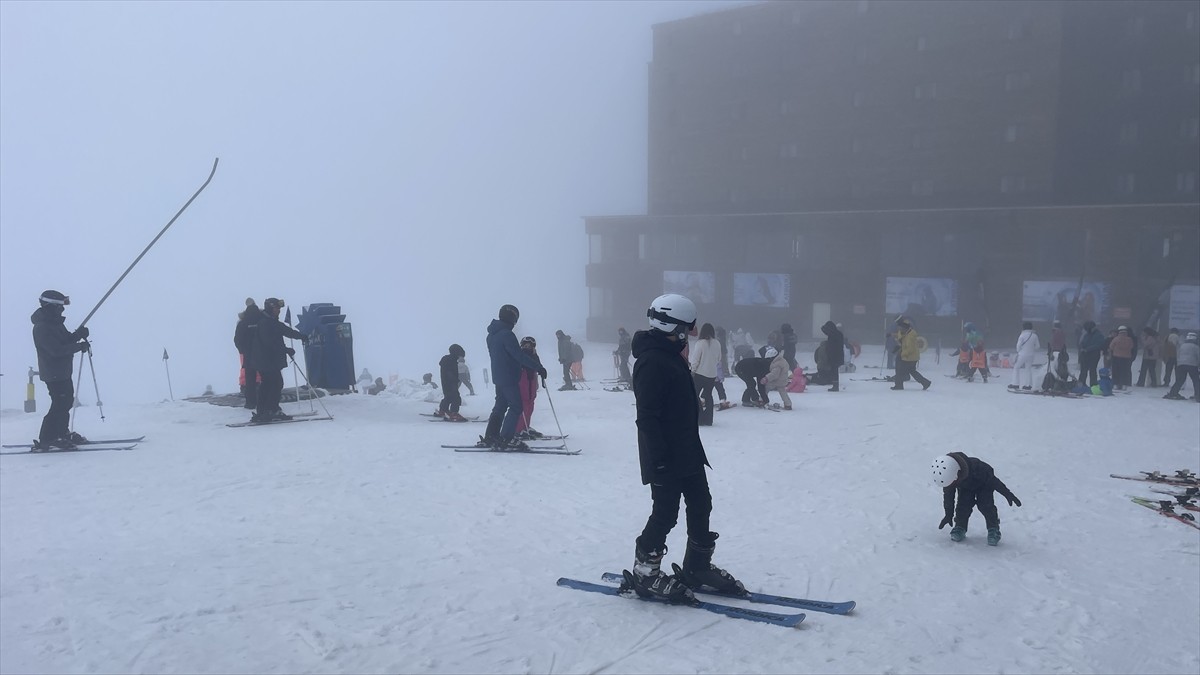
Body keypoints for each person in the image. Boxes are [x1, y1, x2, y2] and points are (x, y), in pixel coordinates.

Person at [625, 293, 742, 602]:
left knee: (701, 503)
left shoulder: (670, 352)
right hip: (664, 454)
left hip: (687, 450)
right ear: (672, 326)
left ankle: (697, 566)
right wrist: (660, 460)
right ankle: (645, 572)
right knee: (665, 513)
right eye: (688, 328)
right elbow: (647, 418)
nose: (691, 333)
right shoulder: (652, 360)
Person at [31, 290, 92, 450]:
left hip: (62, 371)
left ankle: (61, 432)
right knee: (59, 404)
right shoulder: (42, 327)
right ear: (50, 307)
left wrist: (78, 335)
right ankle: (48, 438)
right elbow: (55, 350)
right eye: (59, 307)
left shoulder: (55, 323)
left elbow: (65, 341)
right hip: (53, 373)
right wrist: (79, 347)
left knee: (65, 403)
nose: (62, 310)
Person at [483, 304, 548, 450]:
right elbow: (518, 355)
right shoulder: (507, 334)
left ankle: (491, 436)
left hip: (498, 376)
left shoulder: (492, 335)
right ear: (513, 318)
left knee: (500, 406)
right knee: (516, 406)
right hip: (509, 377)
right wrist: (538, 367)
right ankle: (507, 438)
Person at [931, 453, 1021, 546]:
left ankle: (993, 528)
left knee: (986, 506)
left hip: (984, 485)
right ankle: (960, 526)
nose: (951, 486)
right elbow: (949, 498)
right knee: (963, 506)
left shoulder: (979, 469)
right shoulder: (949, 477)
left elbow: (994, 482)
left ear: (957, 473)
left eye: (952, 483)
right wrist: (948, 514)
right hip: (966, 487)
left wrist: (1007, 493)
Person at [251, 298, 308, 423]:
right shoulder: (266, 323)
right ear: (270, 308)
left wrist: (301, 337)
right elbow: (269, 343)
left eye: (279, 308)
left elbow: (285, 330)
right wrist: (286, 350)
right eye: (276, 308)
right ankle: (271, 410)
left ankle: (263, 410)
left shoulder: (270, 321)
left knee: (268, 384)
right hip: (266, 360)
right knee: (275, 383)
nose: (279, 311)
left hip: (266, 360)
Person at [234, 298, 262, 410]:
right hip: (263, 354)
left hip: (248, 355)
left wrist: (243, 350)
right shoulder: (262, 320)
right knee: (266, 376)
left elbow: (237, 340)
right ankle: (264, 401)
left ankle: (250, 402)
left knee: (249, 378)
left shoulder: (242, 323)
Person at [689, 323, 720, 426]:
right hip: (712, 374)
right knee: (708, 396)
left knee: (695, 395)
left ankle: (700, 417)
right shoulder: (717, 343)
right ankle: (709, 419)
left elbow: (695, 359)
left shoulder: (700, 343)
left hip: (700, 374)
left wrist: (692, 370)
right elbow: (719, 358)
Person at [515, 336, 545, 439]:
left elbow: (538, 365)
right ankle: (519, 429)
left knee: (530, 405)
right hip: (523, 379)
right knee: (523, 404)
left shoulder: (534, 355)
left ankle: (526, 426)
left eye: (529, 345)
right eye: (525, 345)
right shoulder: (520, 355)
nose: (527, 347)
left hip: (531, 380)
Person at [891, 317, 932, 390]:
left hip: (908, 357)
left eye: (900, 328)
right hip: (912, 357)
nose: (899, 329)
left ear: (905, 328)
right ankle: (925, 382)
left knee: (899, 370)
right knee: (912, 371)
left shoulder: (910, 336)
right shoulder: (908, 333)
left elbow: (910, 348)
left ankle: (899, 385)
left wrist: (902, 354)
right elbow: (901, 338)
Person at [436, 344, 468, 421]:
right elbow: (450, 372)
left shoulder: (447, 359)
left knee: (448, 397)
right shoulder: (451, 361)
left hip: (445, 382)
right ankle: (454, 413)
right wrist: (454, 380)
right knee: (456, 397)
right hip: (451, 382)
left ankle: (443, 410)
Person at [1163, 332, 1199, 401]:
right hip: (1192, 365)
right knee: (1196, 380)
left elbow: (1178, 354)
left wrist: (1179, 363)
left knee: (1180, 380)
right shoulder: (1196, 347)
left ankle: (1173, 393)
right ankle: (1198, 395)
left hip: (1181, 364)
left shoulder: (1182, 346)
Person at [1009, 321, 1041, 391]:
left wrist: (1019, 351)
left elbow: (1018, 346)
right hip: (1031, 355)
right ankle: (1028, 385)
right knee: (1028, 369)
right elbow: (1038, 346)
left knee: (1016, 367)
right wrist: (1032, 349)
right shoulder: (1034, 335)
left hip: (1022, 354)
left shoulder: (1022, 335)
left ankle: (1015, 383)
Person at [1077, 320, 1104, 387]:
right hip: (1085, 355)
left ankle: (1093, 385)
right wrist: (1082, 347)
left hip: (1094, 355)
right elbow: (1083, 342)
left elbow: (1098, 345)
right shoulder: (1087, 334)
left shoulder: (1099, 335)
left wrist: (1087, 349)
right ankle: (1081, 384)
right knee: (1083, 370)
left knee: (1092, 370)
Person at [820, 321, 845, 391]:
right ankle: (835, 385)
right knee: (834, 370)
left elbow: (833, 346)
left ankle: (835, 386)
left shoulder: (832, 334)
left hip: (834, 355)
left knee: (834, 371)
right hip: (838, 354)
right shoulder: (838, 333)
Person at [1108, 326, 1134, 390]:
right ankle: (1125, 384)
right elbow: (1131, 347)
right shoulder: (1129, 339)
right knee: (1125, 371)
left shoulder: (1116, 339)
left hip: (1116, 357)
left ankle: (1116, 384)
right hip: (1127, 357)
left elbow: (1111, 347)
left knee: (1116, 371)